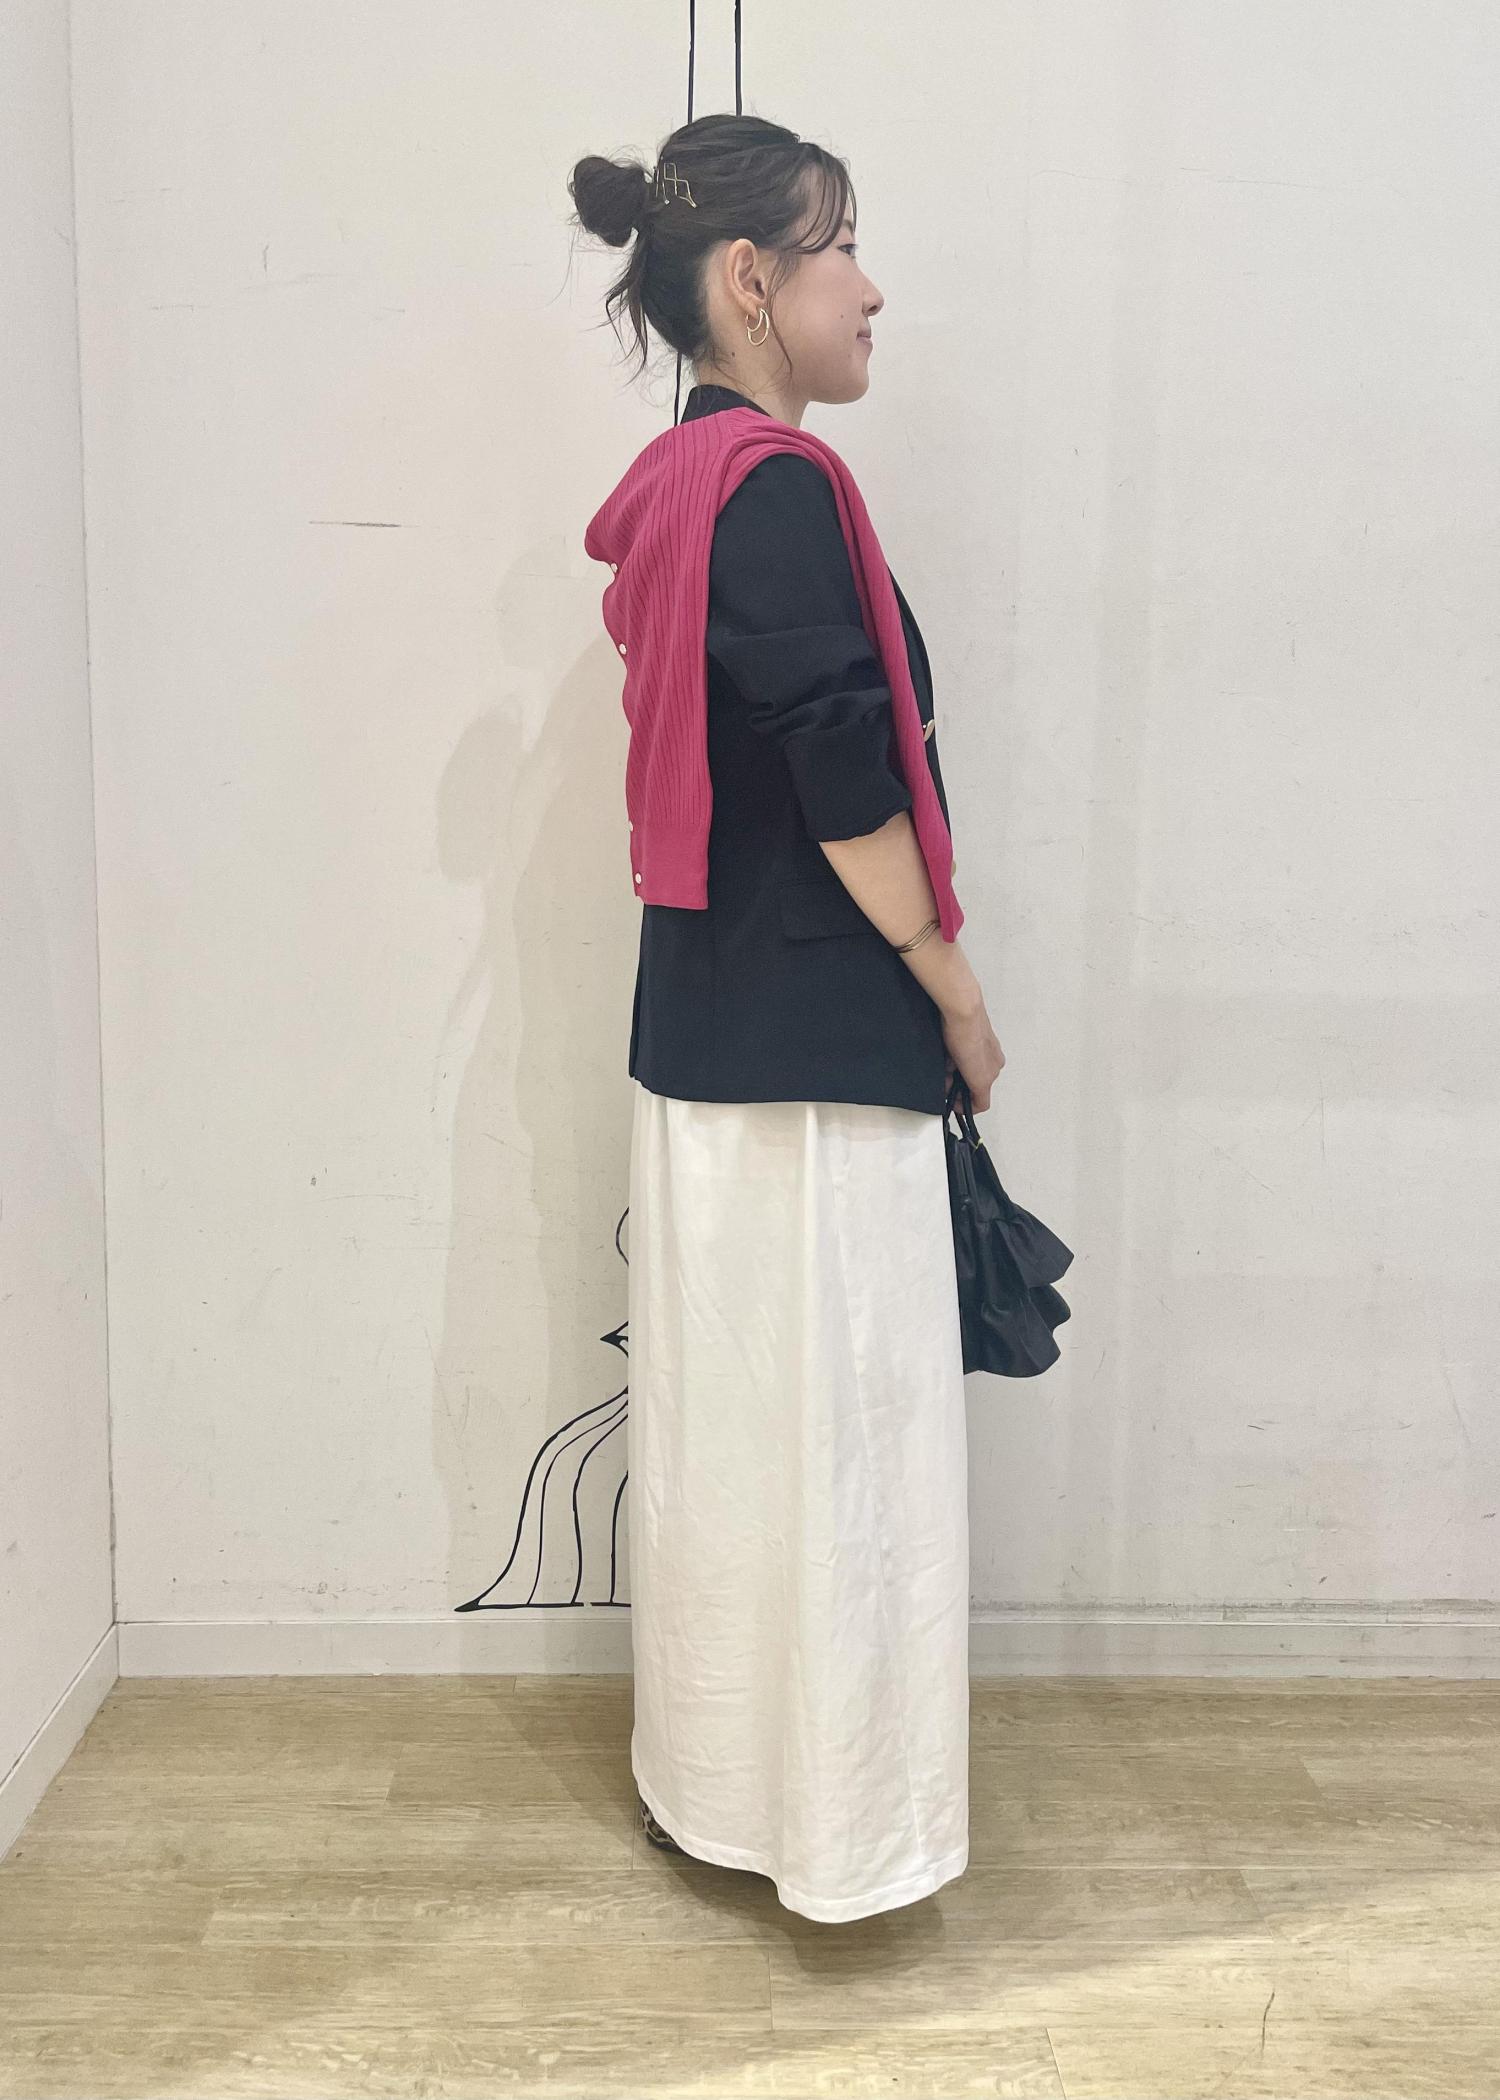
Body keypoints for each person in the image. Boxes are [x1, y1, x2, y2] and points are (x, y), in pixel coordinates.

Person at [569, 113, 1005, 1924]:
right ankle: (840, 1833)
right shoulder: (777, 489)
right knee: (846, 1448)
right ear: (752, 281)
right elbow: (843, 771)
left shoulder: (680, 481)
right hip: (819, 1057)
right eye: (844, 249)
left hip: (709, 1035)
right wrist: (953, 988)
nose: (873, 287)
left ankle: (723, 1790)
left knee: (737, 1443)